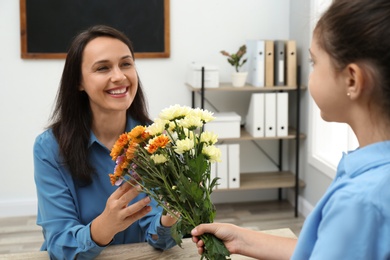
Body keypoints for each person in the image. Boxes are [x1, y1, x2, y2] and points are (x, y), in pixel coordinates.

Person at [192, 0, 390, 259]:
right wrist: (241, 238)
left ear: (352, 79)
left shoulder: (360, 202)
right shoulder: (373, 178)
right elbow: (322, 249)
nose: (309, 74)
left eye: (313, 62)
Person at [33, 25, 177, 259]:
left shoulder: (157, 141)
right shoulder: (49, 148)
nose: (119, 76)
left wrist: (170, 219)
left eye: (126, 64)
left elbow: (162, 241)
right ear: (78, 82)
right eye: (102, 68)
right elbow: (59, 244)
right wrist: (104, 227)